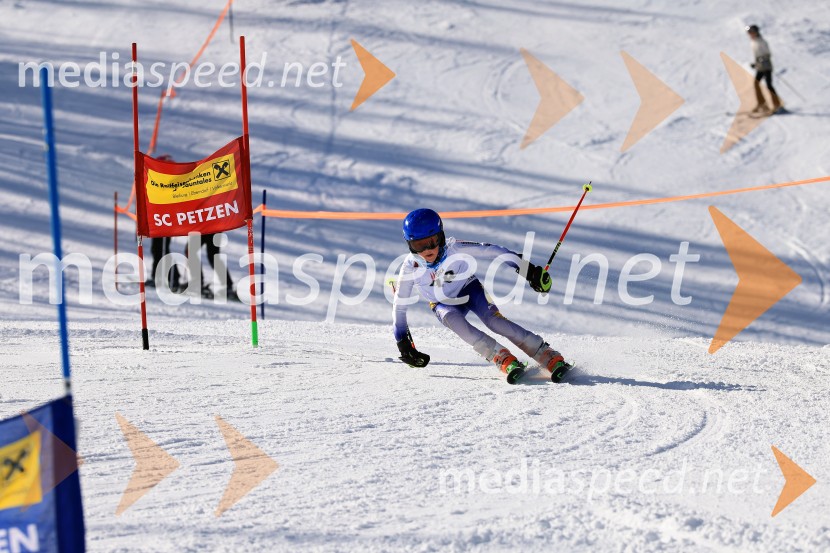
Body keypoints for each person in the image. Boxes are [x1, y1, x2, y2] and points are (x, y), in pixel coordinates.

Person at [391, 208, 569, 384]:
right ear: (410, 246)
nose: (427, 250)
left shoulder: (455, 248)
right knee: (456, 323)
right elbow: (399, 307)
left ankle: (545, 353)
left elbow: (493, 251)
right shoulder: (409, 268)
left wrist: (529, 271)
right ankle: (501, 357)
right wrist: (404, 345)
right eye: (419, 245)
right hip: (441, 304)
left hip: (470, 289)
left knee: (494, 321)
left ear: (441, 237)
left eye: (432, 241)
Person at [746, 24, 782, 113]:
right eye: (749, 32)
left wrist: (762, 60)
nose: (750, 34)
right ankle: (761, 104)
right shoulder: (753, 42)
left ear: (756, 32)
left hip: (766, 66)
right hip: (760, 67)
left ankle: (776, 105)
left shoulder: (762, 41)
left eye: (751, 32)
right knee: (756, 84)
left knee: (768, 85)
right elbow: (758, 55)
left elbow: (768, 54)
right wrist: (756, 64)